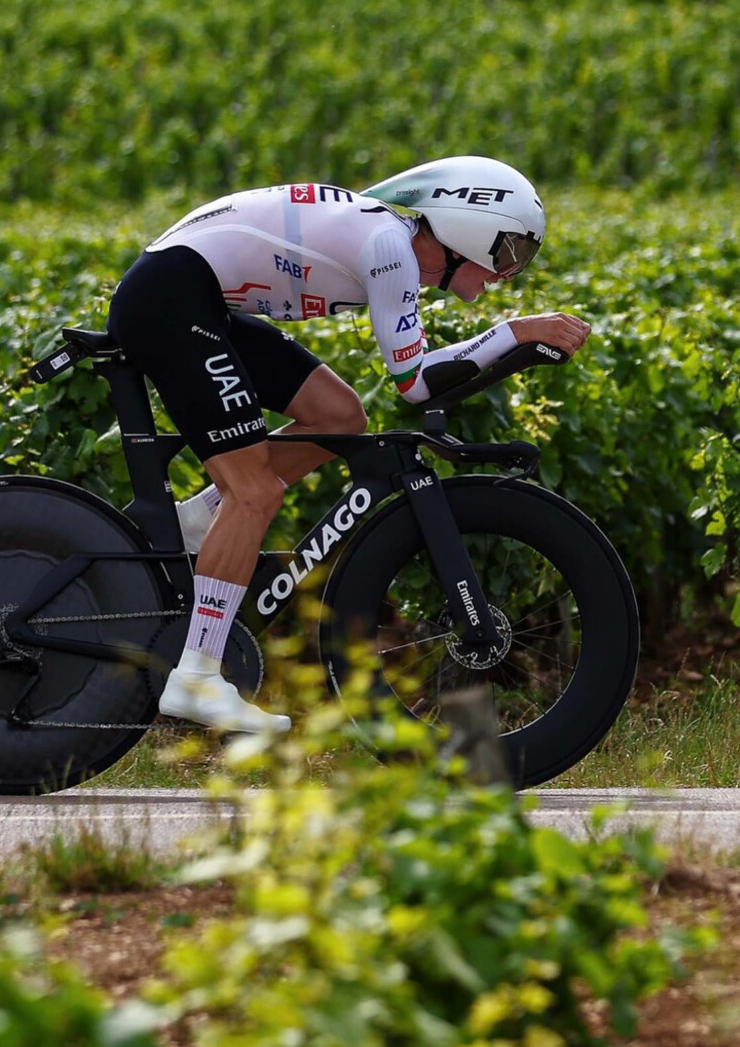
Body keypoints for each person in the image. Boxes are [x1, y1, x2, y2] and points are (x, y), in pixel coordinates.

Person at [106, 155, 590, 734]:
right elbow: (414, 384)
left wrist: (512, 343)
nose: (509, 271)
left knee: (339, 416)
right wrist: (515, 333)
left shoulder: (391, 241)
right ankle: (197, 676)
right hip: (172, 299)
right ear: (468, 228)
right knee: (255, 493)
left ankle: (201, 521)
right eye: (509, 251)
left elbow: (418, 379)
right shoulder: (391, 247)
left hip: (192, 295)